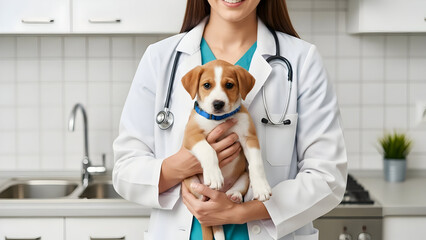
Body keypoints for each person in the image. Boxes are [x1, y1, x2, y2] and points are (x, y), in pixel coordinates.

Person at [113, 0, 347, 239]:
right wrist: (181, 166)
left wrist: (242, 212)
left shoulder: (302, 60)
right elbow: (125, 170)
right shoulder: (160, 59)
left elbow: (328, 178)